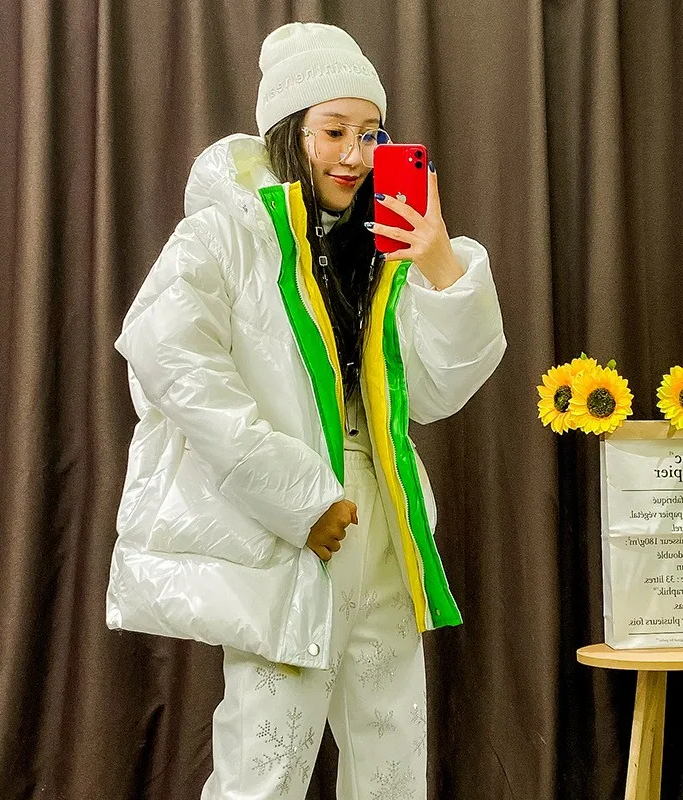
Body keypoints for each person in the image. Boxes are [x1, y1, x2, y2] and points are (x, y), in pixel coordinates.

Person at [106, 21, 506, 800]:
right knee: (267, 764)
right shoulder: (226, 235)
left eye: (370, 133)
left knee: (392, 766)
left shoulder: (379, 251)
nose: (354, 154)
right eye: (333, 131)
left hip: (384, 524)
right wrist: (299, 499)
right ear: (289, 132)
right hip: (291, 529)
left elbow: (437, 392)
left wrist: (439, 264)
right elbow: (167, 360)